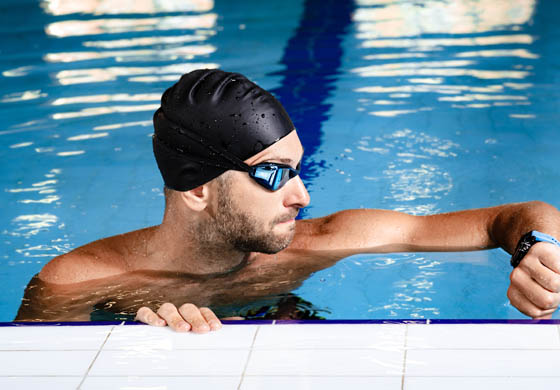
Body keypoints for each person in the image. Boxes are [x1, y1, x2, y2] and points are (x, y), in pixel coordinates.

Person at [16, 69, 560, 332]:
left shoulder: (321, 242)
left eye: (297, 170)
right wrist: (133, 354)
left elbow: (510, 218)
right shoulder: (73, 281)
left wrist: (540, 247)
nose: (302, 196)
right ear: (199, 189)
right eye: (274, 175)